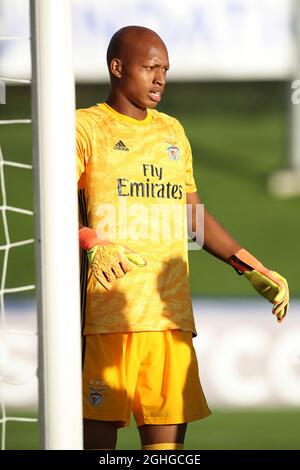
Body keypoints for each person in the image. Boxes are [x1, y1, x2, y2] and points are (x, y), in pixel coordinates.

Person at [76, 26, 289, 450]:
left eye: (166, 70)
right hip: (107, 318)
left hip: (170, 320)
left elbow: (192, 216)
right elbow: (52, 203)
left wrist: (250, 265)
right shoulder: (84, 127)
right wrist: (89, 240)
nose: (160, 79)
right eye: (150, 67)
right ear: (117, 68)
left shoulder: (173, 132)